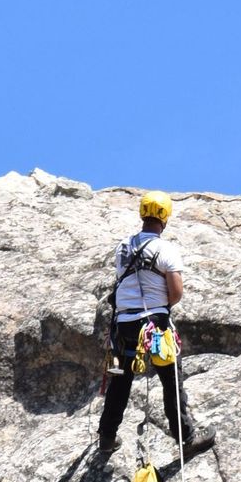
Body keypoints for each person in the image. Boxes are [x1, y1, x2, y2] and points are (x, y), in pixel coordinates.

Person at [96, 192, 214, 462]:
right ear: (165, 218)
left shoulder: (122, 247)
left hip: (122, 325)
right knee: (171, 380)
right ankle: (186, 439)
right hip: (154, 324)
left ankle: (106, 437)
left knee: (120, 381)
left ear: (142, 214)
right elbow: (175, 292)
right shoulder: (166, 250)